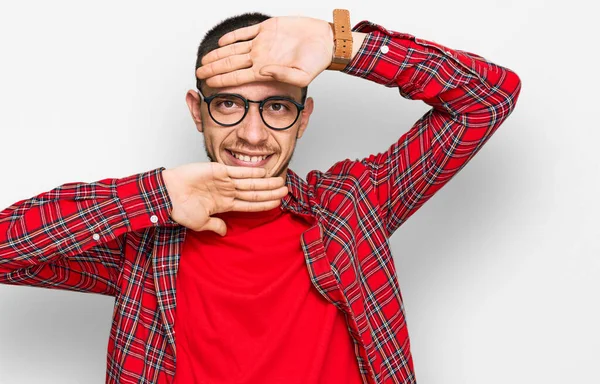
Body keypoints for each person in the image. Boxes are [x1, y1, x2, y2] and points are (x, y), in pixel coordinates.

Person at [0, 9, 521, 384]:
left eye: (276, 107)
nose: (252, 134)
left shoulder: (351, 204)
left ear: (305, 117)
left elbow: (487, 99)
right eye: (228, 104)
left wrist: (345, 47)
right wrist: (154, 194)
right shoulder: (146, 240)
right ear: (196, 111)